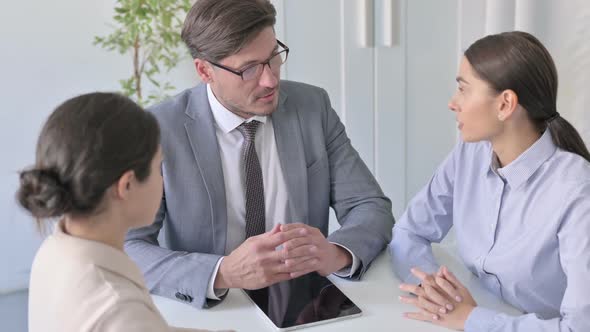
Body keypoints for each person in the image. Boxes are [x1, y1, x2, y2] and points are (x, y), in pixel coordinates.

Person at [125, 0, 395, 309]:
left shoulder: (312, 107)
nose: (270, 80)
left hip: (303, 303)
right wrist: (223, 272)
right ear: (204, 71)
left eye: (273, 58)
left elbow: (369, 205)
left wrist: (337, 252)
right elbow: (127, 245)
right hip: (214, 305)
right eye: (249, 69)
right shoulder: (159, 129)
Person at [389, 31, 590, 331]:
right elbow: (409, 231)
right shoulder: (470, 154)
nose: (452, 103)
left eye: (463, 89)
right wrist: (438, 293)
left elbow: (579, 327)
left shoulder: (576, 192)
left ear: (505, 104)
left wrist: (471, 319)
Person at [19, 93, 231, 332]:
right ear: (126, 185)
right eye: (157, 167)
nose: (163, 179)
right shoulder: (116, 305)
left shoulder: (55, 247)